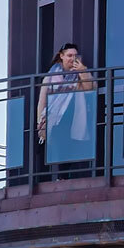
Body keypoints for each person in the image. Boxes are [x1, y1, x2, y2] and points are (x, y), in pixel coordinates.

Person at [36, 43, 97, 176]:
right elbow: (42, 101)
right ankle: (60, 178)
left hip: (73, 118)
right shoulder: (51, 76)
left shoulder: (80, 73)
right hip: (55, 119)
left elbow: (90, 89)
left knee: (72, 149)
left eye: (75, 55)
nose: (72, 58)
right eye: (69, 55)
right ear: (62, 56)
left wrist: (83, 71)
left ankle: (66, 177)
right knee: (58, 148)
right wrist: (39, 123)